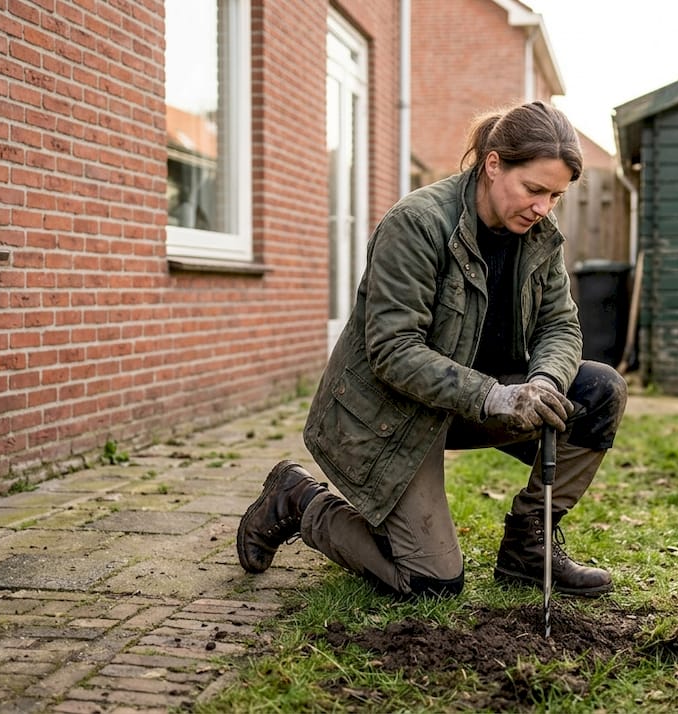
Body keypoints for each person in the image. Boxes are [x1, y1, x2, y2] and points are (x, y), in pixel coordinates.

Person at [236, 100, 628, 599]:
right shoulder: (417, 224)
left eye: (555, 196)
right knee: (431, 582)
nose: (543, 208)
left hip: (469, 405)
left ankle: (528, 548)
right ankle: (298, 500)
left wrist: (544, 382)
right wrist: (496, 396)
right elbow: (393, 349)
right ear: (493, 164)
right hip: (391, 414)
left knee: (599, 391)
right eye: (533, 190)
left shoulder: (540, 237)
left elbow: (560, 324)